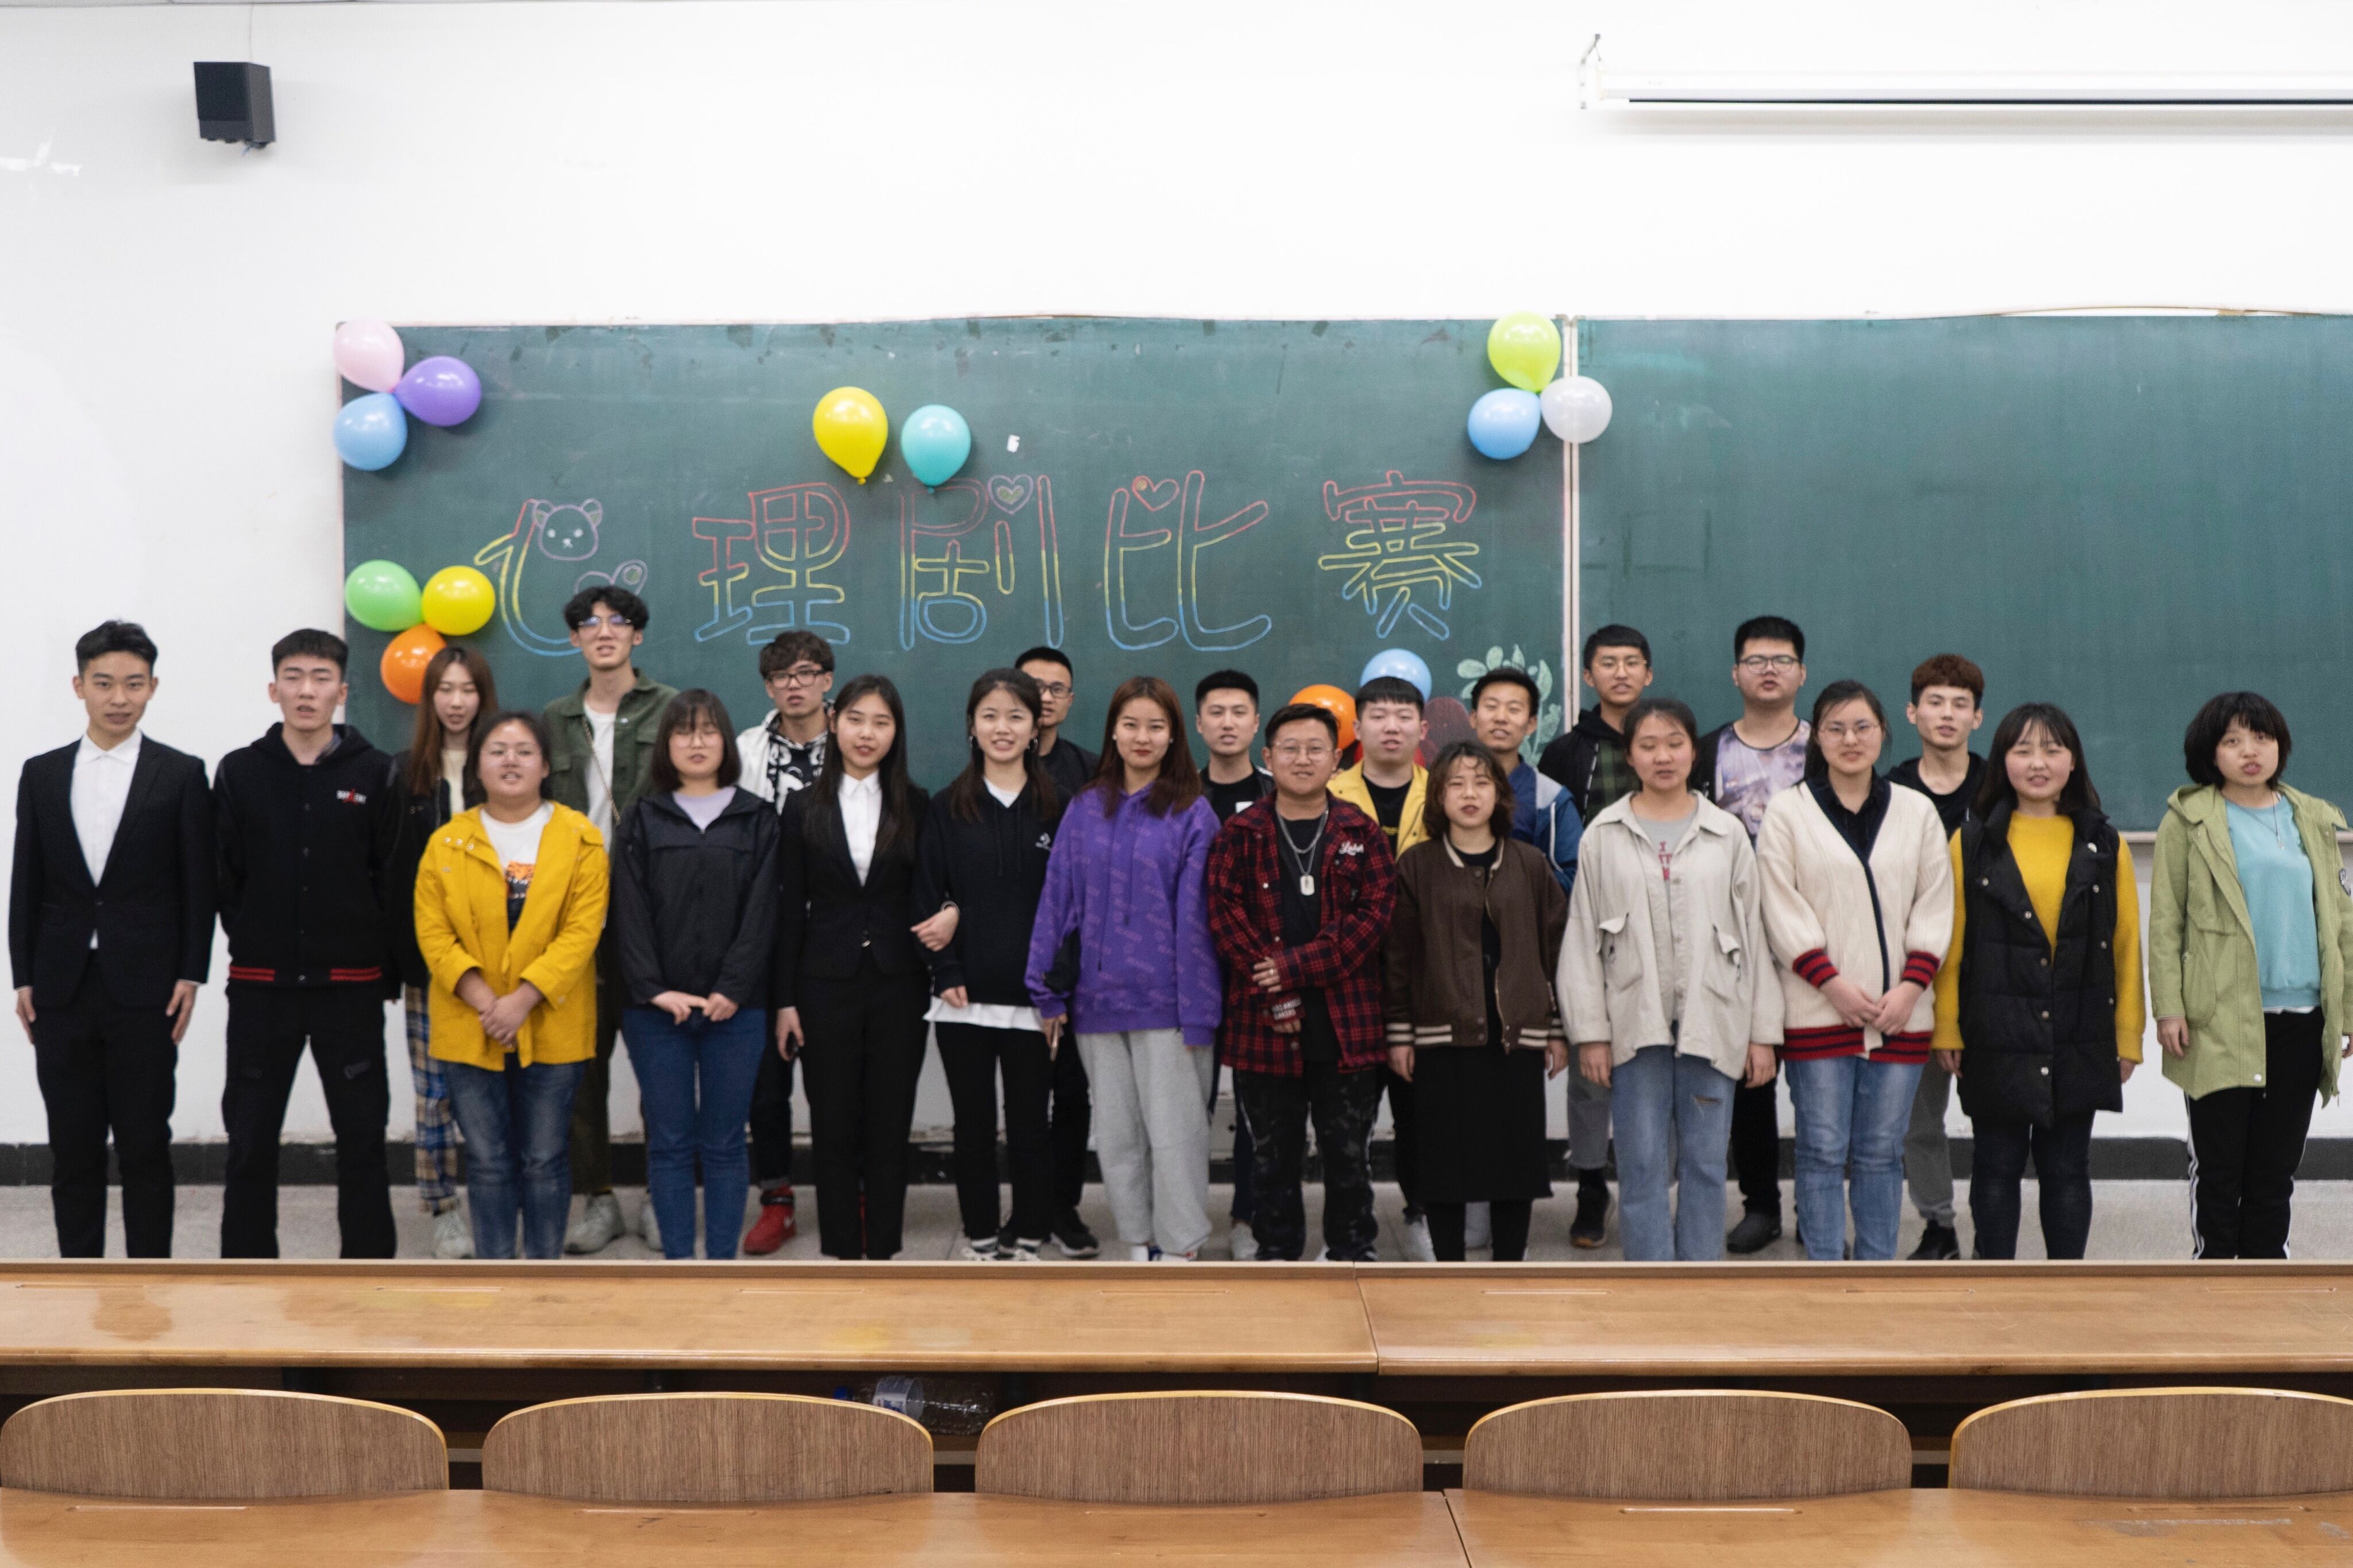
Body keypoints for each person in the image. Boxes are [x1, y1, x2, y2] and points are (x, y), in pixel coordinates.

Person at [10, 621, 213, 1259]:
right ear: (79, 687)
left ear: (153, 687)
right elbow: (27, 880)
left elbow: (197, 882)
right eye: (103, 683)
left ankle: (150, 1280)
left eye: (133, 684)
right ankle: (79, 1277)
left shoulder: (180, 773)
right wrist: (23, 976)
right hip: (62, 985)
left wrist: (192, 972)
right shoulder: (42, 774)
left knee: (145, 1143)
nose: (118, 698)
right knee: (72, 1147)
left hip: (147, 988)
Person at [1563, 699, 1780, 1262]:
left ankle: (1700, 1281)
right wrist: (1590, 1034)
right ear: (1630, 755)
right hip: (1634, 1027)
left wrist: (1761, 1035)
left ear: (1693, 751)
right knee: (1641, 1164)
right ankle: (1650, 1282)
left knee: (1706, 1162)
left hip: (1714, 1022)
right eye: (1649, 745)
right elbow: (1582, 941)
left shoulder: (1726, 833)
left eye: (1675, 743)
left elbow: (1755, 937)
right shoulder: (1604, 835)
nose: (1663, 756)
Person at [213, 629, 403, 1259]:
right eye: (293, 677)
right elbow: (225, 877)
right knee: (249, 1142)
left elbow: (391, 877)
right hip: (260, 991)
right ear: (274, 690)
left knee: (362, 1141)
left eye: (321, 679)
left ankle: (369, 1278)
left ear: (342, 692)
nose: (306, 691)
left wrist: (380, 966)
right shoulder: (240, 772)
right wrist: (256, 938)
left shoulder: (376, 772)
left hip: (349, 991)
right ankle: (246, 1276)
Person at [1932, 703, 2141, 1261]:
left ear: (2073, 761)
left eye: (2052, 749)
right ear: (2003, 762)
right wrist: (1947, 1027)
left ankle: (2067, 1287)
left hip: (2079, 1028)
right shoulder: (1970, 842)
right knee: (1995, 1166)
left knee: (2067, 1168)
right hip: (1994, 1028)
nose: (2038, 763)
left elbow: (2125, 947)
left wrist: (2127, 1037)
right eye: (2022, 750)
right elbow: (1952, 945)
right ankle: (1994, 1282)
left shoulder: (2105, 844)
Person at [2150, 693, 2353, 1260]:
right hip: (2219, 1016)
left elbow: (2341, 920)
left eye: (2262, 738)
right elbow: (2165, 922)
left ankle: (2267, 1284)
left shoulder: (2311, 817)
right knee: (2219, 1170)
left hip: (2301, 1019)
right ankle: (2215, 1284)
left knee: (2275, 1169)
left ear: (2280, 746)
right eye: (2232, 740)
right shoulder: (2187, 820)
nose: (2249, 751)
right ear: (2209, 752)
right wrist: (2168, 1007)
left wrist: (2347, 1009)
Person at [1025, 675, 1221, 1261]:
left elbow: (1199, 924)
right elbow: (1057, 900)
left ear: (1174, 736)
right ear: (1112, 731)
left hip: (1169, 1006)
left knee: (1176, 1136)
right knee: (1117, 1139)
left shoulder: (1193, 813)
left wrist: (1200, 1012)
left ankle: (1181, 1246)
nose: (1142, 737)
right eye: (1131, 724)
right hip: (1097, 1002)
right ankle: (1138, 1240)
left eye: (1156, 727)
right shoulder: (1085, 808)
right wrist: (1045, 991)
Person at [1757, 679, 1953, 1262]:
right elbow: (1779, 905)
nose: (1850, 740)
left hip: (1900, 1016)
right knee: (1820, 1151)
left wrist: (1911, 987)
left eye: (1862, 727)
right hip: (1818, 1011)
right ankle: (1823, 1275)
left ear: (1883, 732)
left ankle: (1875, 1277)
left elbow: (1935, 903)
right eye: (1835, 728)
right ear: (1816, 738)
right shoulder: (1787, 811)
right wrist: (1832, 984)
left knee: (1880, 1153)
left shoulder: (1916, 811)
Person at [1206, 702, 1396, 1262]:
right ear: (1268, 757)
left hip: (1347, 1025)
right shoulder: (1239, 834)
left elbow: (1371, 923)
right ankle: (1278, 1255)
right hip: (1263, 1024)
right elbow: (1225, 919)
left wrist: (1293, 968)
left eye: (1316, 749)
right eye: (1289, 748)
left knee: (1349, 1155)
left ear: (1337, 759)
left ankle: (1352, 1253)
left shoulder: (1362, 832)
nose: (1303, 759)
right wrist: (1280, 991)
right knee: (1271, 1158)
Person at [414, 712, 607, 1260]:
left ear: (545, 766)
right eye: (497, 751)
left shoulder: (580, 838)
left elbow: (582, 930)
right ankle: (495, 1277)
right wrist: (486, 1002)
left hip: (553, 1021)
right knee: (488, 1160)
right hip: (469, 1023)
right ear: (477, 766)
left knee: (545, 1158)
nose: (511, 761)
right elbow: (433, 933)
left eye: (525, 751)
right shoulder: (447, 842)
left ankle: (543, 1278)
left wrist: (522, 999)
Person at [610, 692, 778, 1260]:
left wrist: (733, 987)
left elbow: (763, 913)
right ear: (666, 745)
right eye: (684, 732)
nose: (698, 742)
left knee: (726, 1143)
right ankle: (679, 1266)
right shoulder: (643, 818)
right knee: (670, 1143)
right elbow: (628, 912)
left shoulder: (758, 818)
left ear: (726, 741)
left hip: (738, 1011)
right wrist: (655, 990)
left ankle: (722, 1265)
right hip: (657, 1014)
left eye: (709, 730)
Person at [1383, 741, 1566, 1261]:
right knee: (1445, 1166)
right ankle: (1449, 1274)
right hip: (1442, 1038)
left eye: (1482, 783)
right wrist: (1399, 1033)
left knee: (1515, 1164)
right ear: (1438, 797)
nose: (1469, 794)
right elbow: (1398, 957)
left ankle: (1509, 1270)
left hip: (1516, 1041)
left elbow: (1556, 952)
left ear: (1500, 795)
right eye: (1456, 784)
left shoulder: (1530, 864)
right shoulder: (1416, 866)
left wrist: (1557, 1028)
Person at [773, 675, 931, 1259]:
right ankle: (840, 1252)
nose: (868, 734)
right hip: (823, 983)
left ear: (896, 732)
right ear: (834, 722)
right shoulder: (801, 806)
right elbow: (788, 909)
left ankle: (884, 1249)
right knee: (832, 1122)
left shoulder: (918, 804)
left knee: (890, 1120)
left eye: (882, 723)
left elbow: (931, 891)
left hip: (899, 983)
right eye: (857, 720)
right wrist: (785, 1000)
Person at [544, 585, 678, 1254]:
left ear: (637, 636)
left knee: (661, 1065)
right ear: (574, 638)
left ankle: (661, 1195)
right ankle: (597, 1198)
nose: (604, 631)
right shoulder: (552, 720)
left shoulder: (673, 709)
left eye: (618, 621)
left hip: (652, 916)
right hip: (573, 918)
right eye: (590, 623)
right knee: (580, 1068)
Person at [913, 670, 1064, 1262]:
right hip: (964, 1000)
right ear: (972, 727)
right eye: (990, 716)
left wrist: (1057, 989)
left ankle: (1028, 1231)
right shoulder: (946, 807)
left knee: (1031, 1126)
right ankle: (979, 1233)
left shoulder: (1060, 807)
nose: (1003, 728)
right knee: (972, 1127)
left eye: (1016, 717)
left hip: (1034, 1001)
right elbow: (927, 895)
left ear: (1034, 728)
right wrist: (946, 970)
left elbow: (1074, 906)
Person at [1693, 615, 1811, 1255]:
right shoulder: (1705, 751)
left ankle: (1818, 1207)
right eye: (1756, 659)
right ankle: (1761, 1205)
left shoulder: (1829, 745)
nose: (1769, 669)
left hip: (1817, 941)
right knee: (1750, 1081)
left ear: (1801, 673)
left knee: (1821, 1087)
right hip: (1734, 941)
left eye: (1782, 659)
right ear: (1735, 673)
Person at [1469, 666, 1593, 1248]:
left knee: (1513, 1103)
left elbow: (1571, 878)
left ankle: (1507, 1225)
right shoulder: (1444, 786)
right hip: (1456, 966)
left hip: (1522, 967)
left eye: (1514, 708)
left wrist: (1513, 886)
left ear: (1533, 723)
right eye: (1490, 706)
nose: (1501, 717)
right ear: (1472, 717)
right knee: (1463, 1099)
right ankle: (1465, 1215)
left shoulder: (1549, 797)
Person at [391, 644, 499, 1260]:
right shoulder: (405, 772)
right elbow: (392, 873)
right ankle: (442, 1208)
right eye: (445, 690)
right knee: (434, 1093)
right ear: (429, 697)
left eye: (468, 689)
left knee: (493, 1089)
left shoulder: (505, 763)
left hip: (501, 960)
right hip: (430, 964)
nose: (457, 703)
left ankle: (495, 1198)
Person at [734, 629, 836, 1252]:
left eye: (804, 673)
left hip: (832, 933)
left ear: (827, 679)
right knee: (765, 1084)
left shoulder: (858, 739)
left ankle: (849, 1191)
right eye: (779, 677)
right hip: (761, 931)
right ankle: (777, 1200)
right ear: (768, 687)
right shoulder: (744, 750)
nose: (793, 686)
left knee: (836, 1077)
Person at [1329, 674, 1434, 1261]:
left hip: (1424, 980)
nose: (1391, 727)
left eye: (1403, 716)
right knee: (1348, 1117)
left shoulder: (1445, 791)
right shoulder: (1327, 792)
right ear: (1357, 728)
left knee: (1422, 1113)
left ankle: (1421, 1213)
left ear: (1423, 729)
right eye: (1378, 716)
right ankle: (1351, 1230)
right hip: (1348, 980)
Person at [1887, 653, 1988, 1262]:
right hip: (1915, 978)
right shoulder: (1890, 790)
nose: (1946, 714)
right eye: (1934, 702)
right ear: (1912, 713)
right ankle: (1938, 1225)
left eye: (1959, 704)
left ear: (1977, 718)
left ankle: (1994, 1228)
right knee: (1919, 1119)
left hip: (1987, 979)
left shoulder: (2001, 788)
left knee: (1996, 1117)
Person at [1015, 644, 1101, 1260]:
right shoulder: (987, 766)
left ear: (1070, 701)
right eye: (1032, 686)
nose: (1044, 698)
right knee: (1022, 1096)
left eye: (1056, 689)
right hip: (1004, 956)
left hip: (1075, 963)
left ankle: (1063, 1206)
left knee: (1072, 1092)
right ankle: (1025, 1208)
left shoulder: (1091, 774)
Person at [1194, 669, 1272, 1259]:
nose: (1227, 723)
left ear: (1256, 722)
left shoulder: (1280, 792)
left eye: (1238, 712)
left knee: (1256, 1108)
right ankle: (1185, 1220)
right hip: (1192, 973)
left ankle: (1248, 1215)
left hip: (1259, 975)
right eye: (1216, 713)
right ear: (1198, 724)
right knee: (1186, 1107)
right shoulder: (1178, 795)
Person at [1539, 624, 1655, 824]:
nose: (1621, 674)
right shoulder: (1563, 753)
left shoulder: (1671, 745)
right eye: (1609, 664)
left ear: (1648, 675)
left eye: (1632, 663)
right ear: (1588, 677)